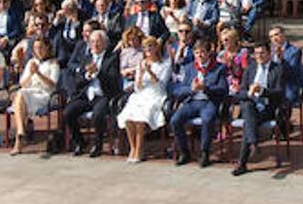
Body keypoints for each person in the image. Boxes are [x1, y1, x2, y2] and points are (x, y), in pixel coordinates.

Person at [61, 29, 122, 158]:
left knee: (98, 114)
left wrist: (97, 73)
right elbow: (78, 80)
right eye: (92, 42)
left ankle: (98, 144)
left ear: (105, 43)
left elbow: (113, 79)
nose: (95, 45)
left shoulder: (112, 58)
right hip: (85, 95)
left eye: (98, 42)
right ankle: (80, 142)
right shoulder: (86, 58)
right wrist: (88, 75)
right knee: (68, 112)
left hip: (103, 94)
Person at [169, 37, 229, 166]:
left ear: (208, 53)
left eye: (202, 52)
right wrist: (191, 89)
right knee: (175, 120)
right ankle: (184, 152)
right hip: (192, 101)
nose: (199, 55)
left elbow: (223, 89)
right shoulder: (189, 67)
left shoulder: (219, 68)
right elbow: (178, 90)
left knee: (208, 119)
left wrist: (205, 88)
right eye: (197, 53)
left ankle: (204, 152)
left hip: (209, 102)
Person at [233, 43, 286, 175]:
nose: (259, 56)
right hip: (251, 105)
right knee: (247, 106)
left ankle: (244, 161)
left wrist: (262, 91)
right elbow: (240, 93)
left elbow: (280, 92)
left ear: (269, 54)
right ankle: (253, 144)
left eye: (262, 53)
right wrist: (249, 93)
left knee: (248, 123)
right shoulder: (250, 69)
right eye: (256, 53)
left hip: (267, 107)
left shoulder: (278, 69)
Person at [118, 36, 173, 162]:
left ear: (156, 47)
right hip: (141, 94)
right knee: (128, 117)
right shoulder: (141, 63)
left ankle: (140, 149)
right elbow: (137, 87)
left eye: (150, 46)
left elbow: (161, 85)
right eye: (145, 47)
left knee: (140, 118)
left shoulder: (165, 63)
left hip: (156, 94)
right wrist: (142, 73)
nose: (147, 49)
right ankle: (133, 148)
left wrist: (150, 71)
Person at [9, 37, 61, 155]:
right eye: (36, 48)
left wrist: (38, 73)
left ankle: (19, 139)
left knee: (20, 98)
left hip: (44, 95)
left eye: (41, 47)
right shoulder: (31, 62)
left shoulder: (53, 63)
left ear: (47, 48)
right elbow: (22, 83)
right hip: (29, 93)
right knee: (20, 95)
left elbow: (52, 84)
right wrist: (31, 74)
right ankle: (20, 133)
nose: (39, 50)